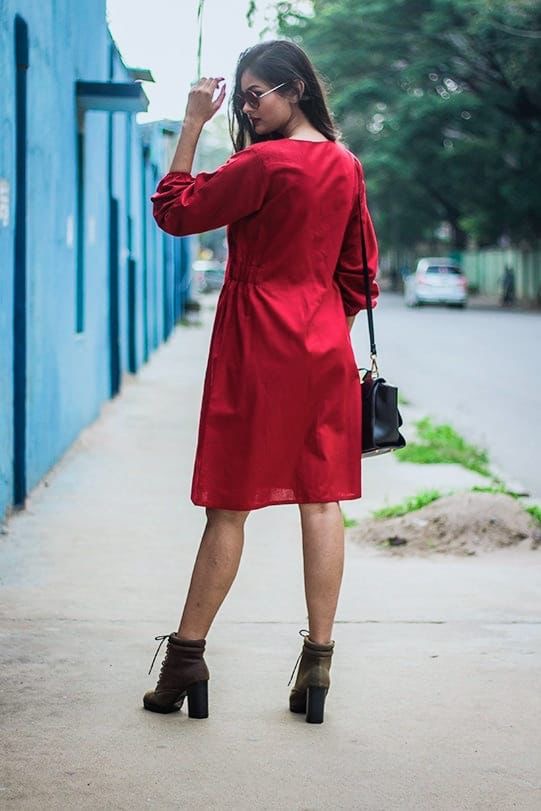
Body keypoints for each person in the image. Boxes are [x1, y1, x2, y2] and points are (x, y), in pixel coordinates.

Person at [143, 40, 379, 724]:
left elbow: (175, 210)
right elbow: (360, 276)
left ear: (294, 89)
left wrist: (191, 122)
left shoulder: (262, 162)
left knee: (229, 503)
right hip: (322, 349)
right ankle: (318, 665)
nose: (245, 107)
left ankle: (186, 660)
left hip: (255, 344)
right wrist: (315, 319)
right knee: (321, 499)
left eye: (254, 95)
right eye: (239, 97)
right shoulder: (345, 164)